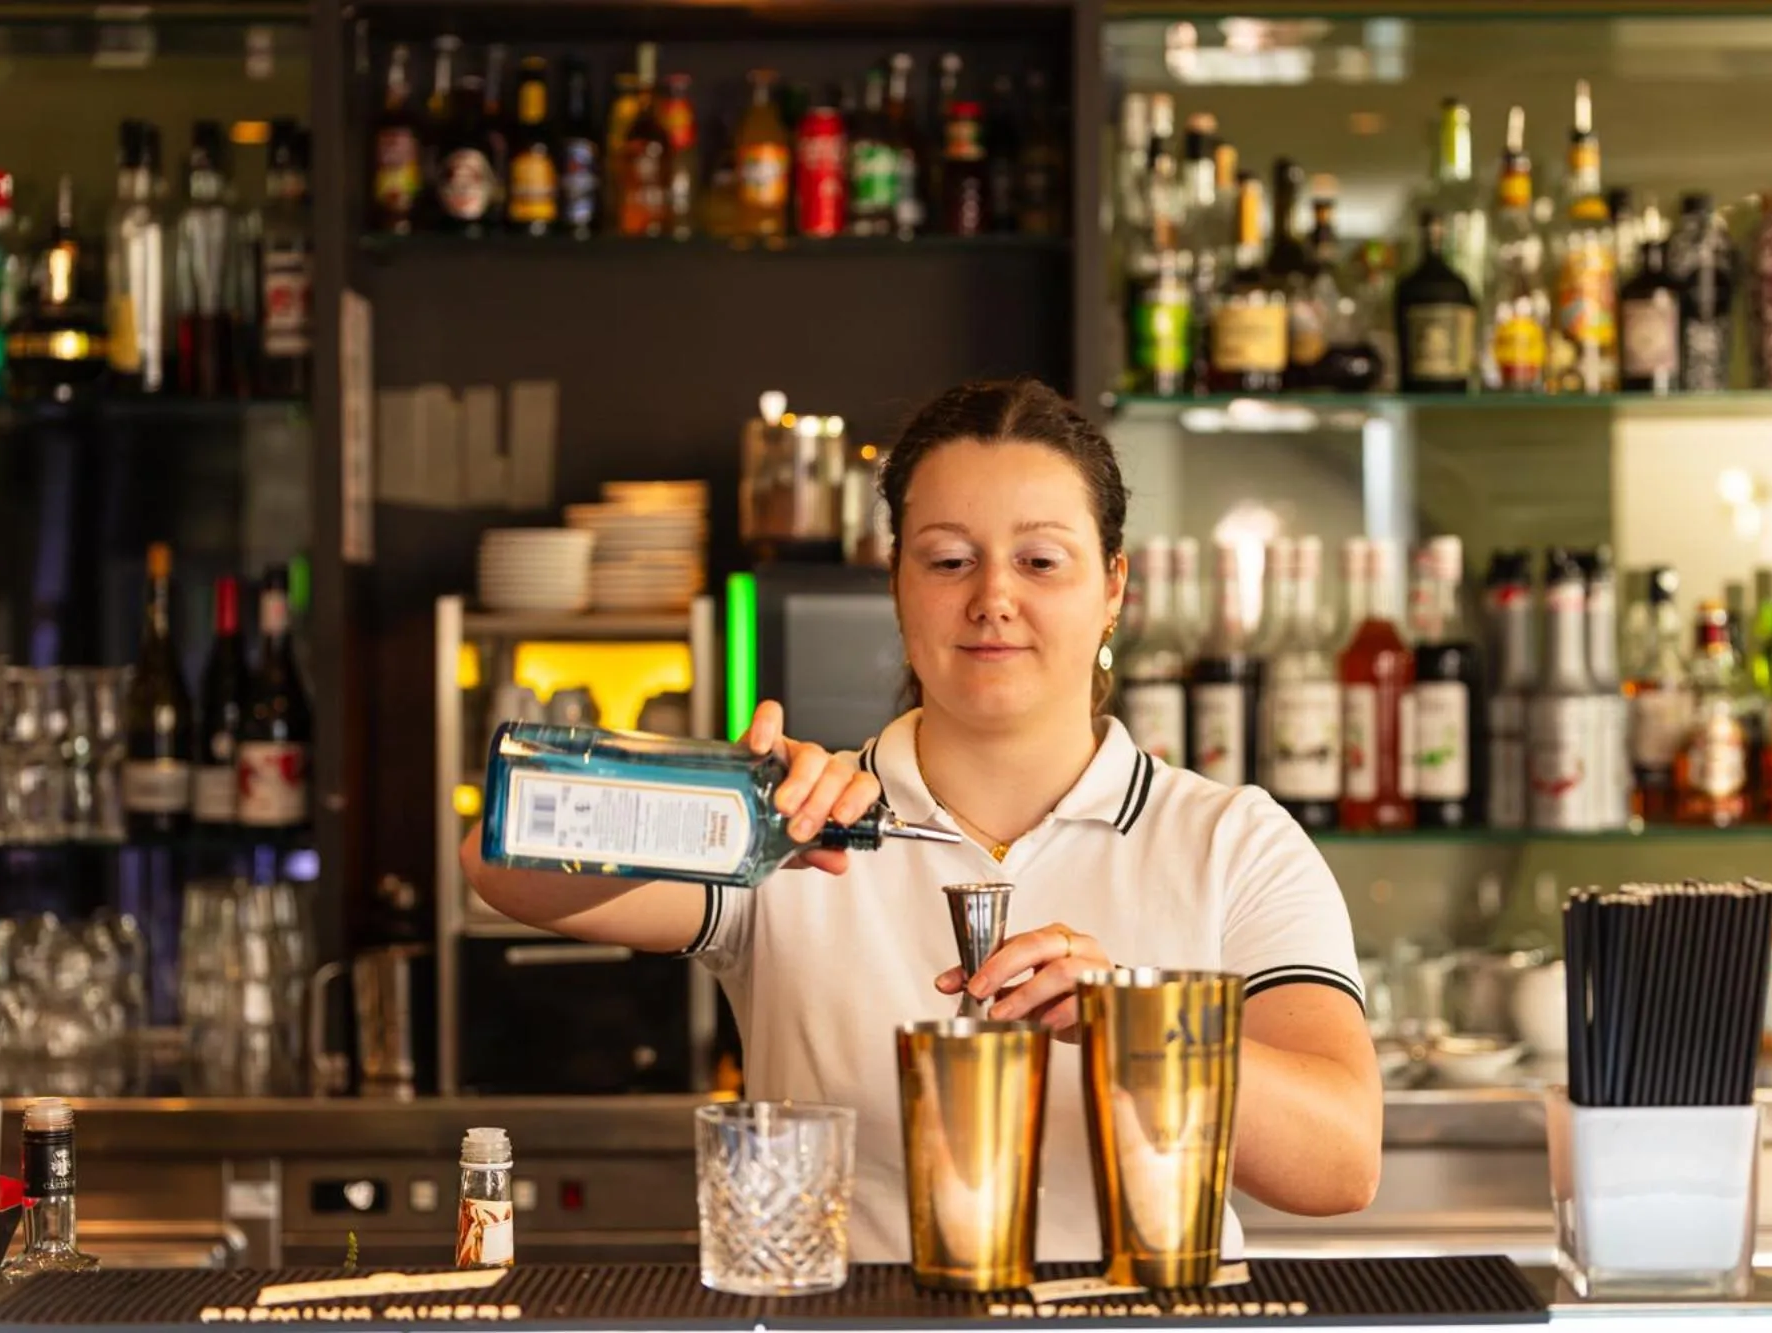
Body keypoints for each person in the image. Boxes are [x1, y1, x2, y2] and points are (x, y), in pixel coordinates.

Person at [464, 377, 1382, 1262]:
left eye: (1040, 560)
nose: (993, 597)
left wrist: (1133, 1022)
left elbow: (1341, 1161)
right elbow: (500, 858)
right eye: (948, 559)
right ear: (897, 585)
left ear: (1113, 588)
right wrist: (728, 807)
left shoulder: (1232, 841)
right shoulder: (804, 825)